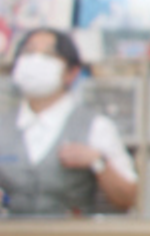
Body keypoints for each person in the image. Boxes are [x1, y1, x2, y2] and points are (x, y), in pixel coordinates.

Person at [0, 28, 139, 215]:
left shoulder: (96, 126)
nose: (36, 61)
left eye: (48, 55)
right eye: (29, 52)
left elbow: (128, 198)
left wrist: (98, 162)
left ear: (72, 72)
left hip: (71, 232)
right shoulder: (3, 125)